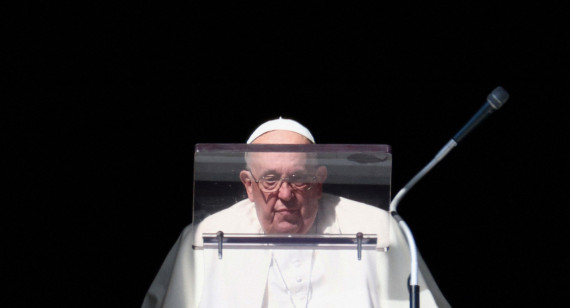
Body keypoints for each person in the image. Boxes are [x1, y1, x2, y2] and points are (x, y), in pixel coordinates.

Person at [142, 118, 451, 308]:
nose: (285, 194)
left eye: (299, 178)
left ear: (319, 182)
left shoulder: (373, 227)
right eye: (270, 179)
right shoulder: (207, 236)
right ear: (249, 186)